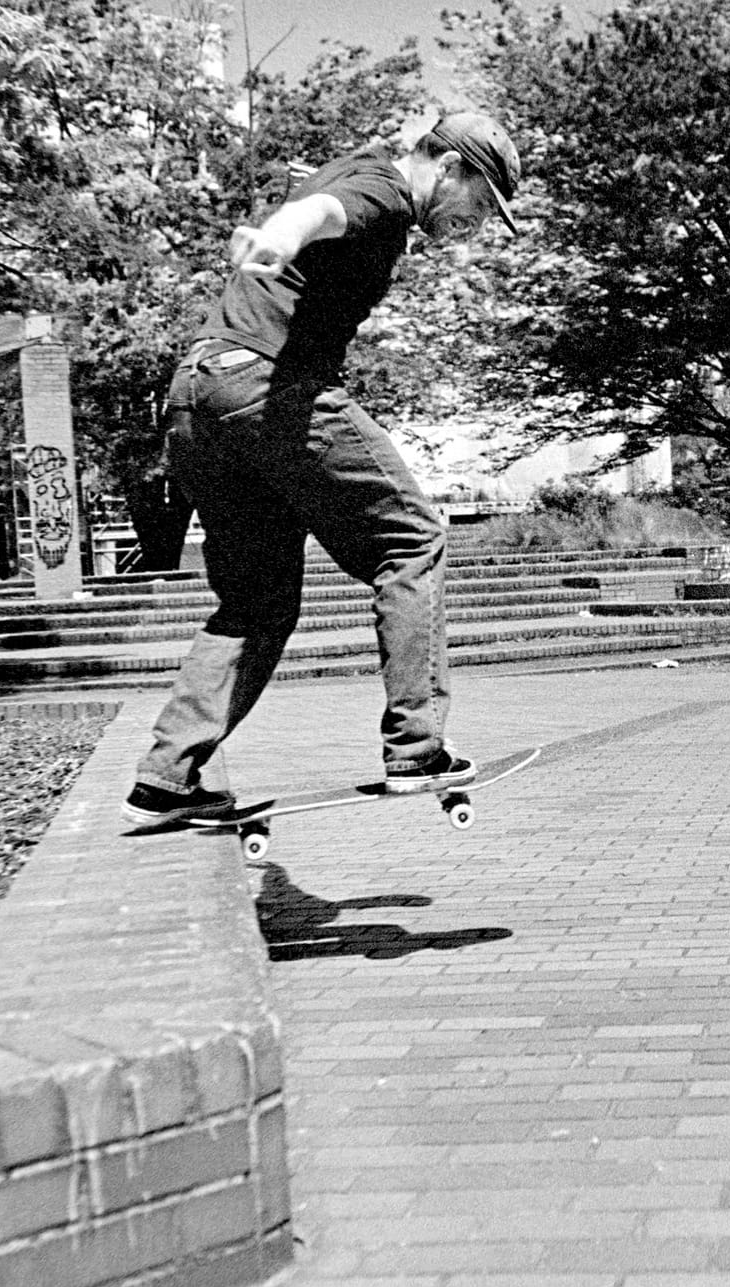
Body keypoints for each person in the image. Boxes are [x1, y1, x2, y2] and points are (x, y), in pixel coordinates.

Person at [123, 107, 522, 826]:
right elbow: (325, 213)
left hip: (197, 395)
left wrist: (285, 228)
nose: (476, 226)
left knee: (258, 600)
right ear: (451, 168)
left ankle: (170, 771)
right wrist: (282, 234)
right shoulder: (387, 193)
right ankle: (417, 747)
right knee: (412, 538)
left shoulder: (357, 165)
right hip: (267, 389)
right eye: (481, 206)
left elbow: (319, 201)